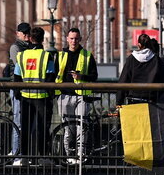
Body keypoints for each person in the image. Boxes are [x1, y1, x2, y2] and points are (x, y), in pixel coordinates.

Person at [54, 27, 99, 163]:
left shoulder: (87, 55)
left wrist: (81, 76)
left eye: (76, 39)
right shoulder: (60, 55)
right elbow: (55, 75)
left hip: (81, 96)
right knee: (67, 128)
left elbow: (94, 76)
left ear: (80, 39)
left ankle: (80, 156)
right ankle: (69, 157)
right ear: (67, 39)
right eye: (71, 38)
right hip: (64, 95)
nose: (74, 41)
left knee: (82, 127)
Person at [13, 26, 55, 166]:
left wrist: (18, 94)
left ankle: (24, 157)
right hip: (42, 97)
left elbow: (17, 77)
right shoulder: (46, 56)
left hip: (26, 97)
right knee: (42, 128)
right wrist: (50, 95)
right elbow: (50, 77)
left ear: (30, 38)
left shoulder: (22, 55)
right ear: (43, 39)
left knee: (25, 128)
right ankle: (43, 157)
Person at [118, 33, 164, 104]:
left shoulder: (131, 59)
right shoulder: (156, 59)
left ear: (139, 45)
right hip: (153, 100)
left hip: (134, 98)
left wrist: (119, 101)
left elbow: (124, 80)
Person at [7, 23, 32, 161]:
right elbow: (19, 66)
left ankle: (23, 153)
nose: (27, 35)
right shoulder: (15, 47)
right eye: (24, 33)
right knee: (18, 121)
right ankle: (16, 153)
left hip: (29, 86)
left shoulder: (30, 47)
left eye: (28, 33)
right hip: (18, 86)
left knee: (25, 122)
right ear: (18, 34)